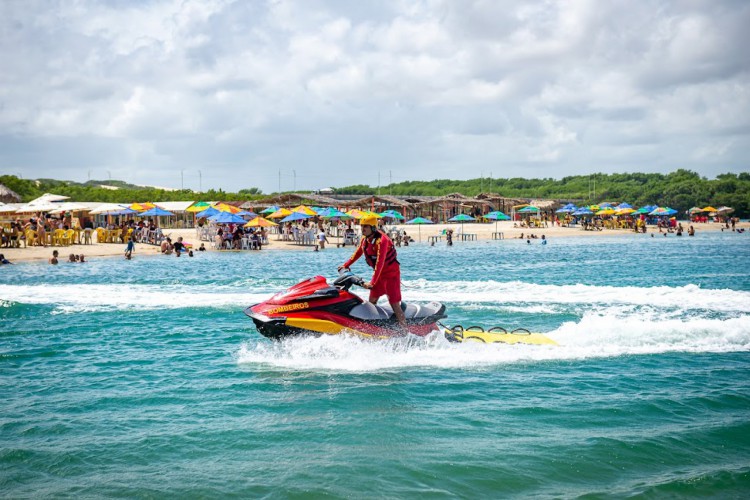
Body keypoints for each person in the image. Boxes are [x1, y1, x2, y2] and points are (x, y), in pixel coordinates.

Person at [338, 215, 406, 327]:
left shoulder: (382, 241)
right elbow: (358, 253)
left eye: (366, 226)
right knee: (371, 302)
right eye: (362, 226)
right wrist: (346, 265)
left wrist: (372, 283)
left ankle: (405, 331)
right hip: (379, 275)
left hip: (391, 275)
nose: (363, 229)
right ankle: (373, 327)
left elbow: (380, 263)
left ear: (373, 228)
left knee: (394, 304)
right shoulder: (365, 239)